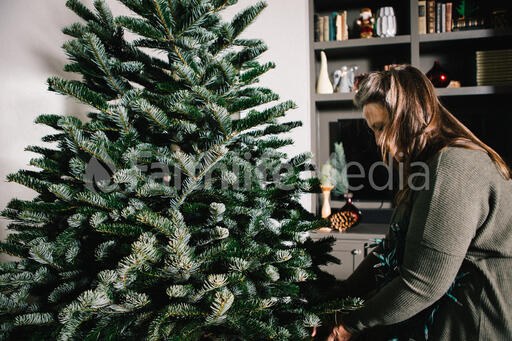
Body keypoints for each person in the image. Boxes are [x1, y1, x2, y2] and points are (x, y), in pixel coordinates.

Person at [312, 64, 512, 340]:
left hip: (476, 325)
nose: (380, 140)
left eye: (382, 127)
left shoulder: (453, 165)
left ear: (410, 115)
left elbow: (422, 283)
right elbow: (389, 249)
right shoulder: (426, 168)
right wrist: (337, 299)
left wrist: (347, 327)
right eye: (373, 130)